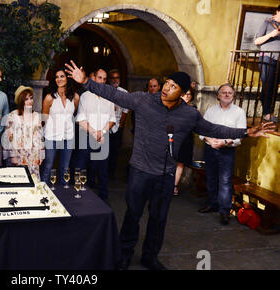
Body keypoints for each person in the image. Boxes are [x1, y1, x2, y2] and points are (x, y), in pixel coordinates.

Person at [65, 60, 275, 270]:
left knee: (158, 220)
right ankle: (124, 256)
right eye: (167, 83)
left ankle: (150, 257)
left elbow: (214, 129)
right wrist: (85, 81)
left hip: (165, 175)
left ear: (183, 93)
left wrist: (246, 132)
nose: (166, 88)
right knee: (132, 216)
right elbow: (115, 95)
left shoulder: (189, 114)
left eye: (173, 86)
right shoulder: (143, 100)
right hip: (140, 172)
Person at [197, 84, 247, 225]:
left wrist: (224, 142)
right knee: (211, 178)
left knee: (225, 181)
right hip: (210, 149)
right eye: (223, 92)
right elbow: (201, 129)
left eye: (229, 92)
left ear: (233, 95)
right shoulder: (211, 111)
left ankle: (224, 211)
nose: (226, 94)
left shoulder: (239, 112)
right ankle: (213, 204)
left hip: (227, 151)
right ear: (218, 95)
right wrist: (208, 139)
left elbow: (241, 135)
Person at [76, 68, 116, 202]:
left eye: (104, 79)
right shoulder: (85, 96)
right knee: (81, 168)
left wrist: (102, 132)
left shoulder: (110, 96)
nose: (102, 81)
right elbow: (80, 119)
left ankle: (104, 201)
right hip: (86, 136)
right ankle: (79, 198)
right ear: (94, 78)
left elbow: (112, 119)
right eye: (100, 78)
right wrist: (94, 132)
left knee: (103, 171)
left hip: (103, 137)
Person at [40, 68, 79, 186]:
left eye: (62, 76)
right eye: (57, 77)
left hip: (68, 135)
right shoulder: (49, 97)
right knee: (48, 164)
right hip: (52, 136)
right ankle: (43, 192)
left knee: (65, 167)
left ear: (67, 78)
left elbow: (73, 113)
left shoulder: (75, 97)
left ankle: (64, 193)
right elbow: (44, 119)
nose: (59, 79)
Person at [3, 86, 45, 179]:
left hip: (33, 156)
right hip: (18, 155)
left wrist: (41, 155)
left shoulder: (37, 116)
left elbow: (40, 137)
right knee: (19, 181)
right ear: (20, 101)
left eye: (31, 98)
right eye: (26, 99)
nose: (30, 101)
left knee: (33, 181)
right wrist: (12, 156)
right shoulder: (12, 116)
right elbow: (8, 139)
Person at [254, 5, 280, 122]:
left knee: (274, 88)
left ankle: (270, 112)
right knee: (267, 86)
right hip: (267, 58)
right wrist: (271, 34)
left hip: (278, 60)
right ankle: (266, 113)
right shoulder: (268, 22)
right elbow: (256, 41)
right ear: (278, 12)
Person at [174, 87, 197, 196]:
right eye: (185, 94)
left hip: (186, 138)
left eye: (189, 94)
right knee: (170, 162)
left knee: (180, 163)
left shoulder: (193, 109)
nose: (187, 96)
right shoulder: (173, 107)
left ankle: (174, 186)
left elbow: (193, 124)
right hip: (173, 137)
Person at [108, 69, 129, 179]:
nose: (115, 80)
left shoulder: (124, 93)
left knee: (114, 151)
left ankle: (111, 173)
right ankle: (103, 172)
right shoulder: (105, 91)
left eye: (117, 78)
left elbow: (126, 110)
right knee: (104, 151)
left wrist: (120, 125)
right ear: (109, 79)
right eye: (113, 78)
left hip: (117, 127)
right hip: (105, 127)